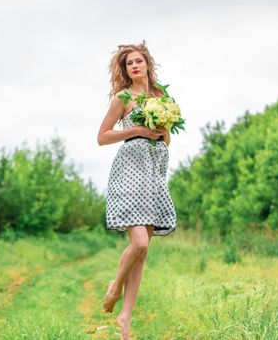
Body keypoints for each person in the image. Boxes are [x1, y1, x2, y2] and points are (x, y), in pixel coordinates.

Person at [97, 41, 177, 339]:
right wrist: (137, 130)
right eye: (129, 62)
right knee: (140, 243)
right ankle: (115, 286)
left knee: (143, 253)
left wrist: (160, 129)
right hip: (129, 171)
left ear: (146, 64)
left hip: (154, 172)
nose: (134, 66)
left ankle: (126, 318)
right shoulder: (123, 97)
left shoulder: (162, 97)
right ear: (125, 68)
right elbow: (102, 137)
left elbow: (166, 141)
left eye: (138, 61)